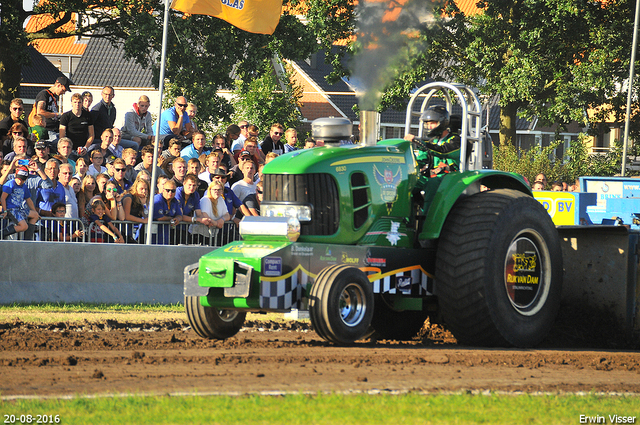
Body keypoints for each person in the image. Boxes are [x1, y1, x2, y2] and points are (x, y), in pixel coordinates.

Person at [404, 105, 468, 177]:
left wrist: (421, 143)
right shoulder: (433, 141)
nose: (429, 127)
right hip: (433, 176)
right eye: (427, 124)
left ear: (442, 123)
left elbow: (443, 151)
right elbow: (422, 158)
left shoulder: (456, 140)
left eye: (432, 123)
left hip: (449, 177)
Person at [1, 166, 40, 239]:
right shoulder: (10, 183)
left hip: (18, 209)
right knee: (24, 226)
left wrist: (35, 211)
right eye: (19, 178)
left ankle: (28, 240)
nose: (20, 181)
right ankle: (2, 233)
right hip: (11, 210)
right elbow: (3, 198)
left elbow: (29, 200)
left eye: (22, 179)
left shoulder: (24, 186)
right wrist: (5, 210)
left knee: (35, 215)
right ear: (15, 176)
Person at [32, 76, 71, 142]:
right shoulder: (44, 95)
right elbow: (40, 112)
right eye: (63, 90)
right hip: (47, 130)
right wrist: (57, 114)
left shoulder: (54, 97)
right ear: (58, 85)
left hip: (55, 129)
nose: (63, 93)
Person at [191, 180, 229, 245]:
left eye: (219, 189)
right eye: (215, 189)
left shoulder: (221, 199)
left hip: (212, 233)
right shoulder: (205, 200)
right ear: (210, 190)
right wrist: (217, 224)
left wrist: (222, 220)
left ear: (222, 191)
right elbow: (205, 216)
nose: (217, 191)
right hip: (199, 234)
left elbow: (227, 215)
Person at [176, 174, 209, 243]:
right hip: (173, 226)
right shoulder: (178, 193)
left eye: (194, 185)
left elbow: (199, 213)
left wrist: (209, 220)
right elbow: (180, 215)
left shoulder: (195, 195)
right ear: (184, 183)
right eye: (189, 185)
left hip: (184, 228)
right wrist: (199, 220)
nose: (191, 188)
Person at [151, 179, 182, 245]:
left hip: (165, 236)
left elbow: (179, 215)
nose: (170, 193)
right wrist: (172, 219)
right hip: (152, 235)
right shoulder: (157, 199)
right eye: (168, 190)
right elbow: (160, 218)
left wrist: (177, 219)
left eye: (173, 191)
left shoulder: (174, 201)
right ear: (163, 190)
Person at [122, 177, 150, 242]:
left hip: (130, 231)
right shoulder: (129, 197)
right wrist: (142, 221)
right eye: (141, 189)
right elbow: (126, 216)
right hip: (122, 230)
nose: (144, 191)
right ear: (136, 188)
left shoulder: (140, 199)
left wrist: (144, 204)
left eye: (146, 189)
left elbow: (146, 216)